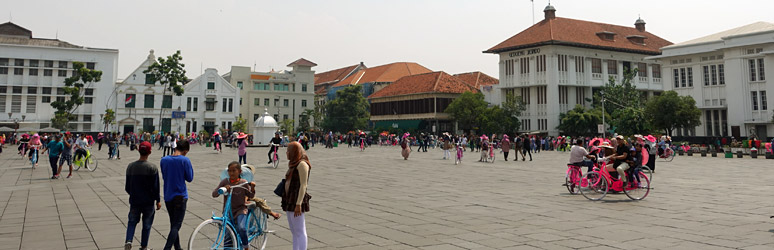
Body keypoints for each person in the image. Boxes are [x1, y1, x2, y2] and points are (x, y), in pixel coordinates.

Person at [124, 142, 161, 250]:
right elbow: (156, 187)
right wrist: (158, 200)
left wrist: (134, 194)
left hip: (135, 201)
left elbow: (127, 187)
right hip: (148, 202)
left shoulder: (130, 167)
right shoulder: (152, 168)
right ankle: (144, 246)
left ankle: (129, 240)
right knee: (147, 224)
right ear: (150, 152)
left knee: (132, 222)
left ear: (139, 151)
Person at [213, 161, 255, 250]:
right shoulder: (225, 181)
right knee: (228, 235)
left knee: (242, 228)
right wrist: (222, 189)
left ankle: (246, 246)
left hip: (240, 210)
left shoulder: (243, 182)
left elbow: (251, 195)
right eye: (229, 171)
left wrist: (253, 188)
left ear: (239, 172)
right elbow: (214, 194)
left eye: (234, 171)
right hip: (228, 211)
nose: (231, 173)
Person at [160, 139, 194, 250]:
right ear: (185, 151)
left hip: (168, 195)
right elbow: (190, 178)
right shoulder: (185, 160)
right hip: (180, 195)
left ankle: (178, 247)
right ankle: (167, 248)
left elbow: (165, 175)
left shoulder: (164, 160)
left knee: (173, 223)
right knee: (176, 225)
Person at [281, 142, 311, 250]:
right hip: (290, 198)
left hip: (297, 199)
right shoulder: (294, 163)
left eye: (289, 150)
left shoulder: (302, 164)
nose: (287, 153)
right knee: (294, 231)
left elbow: (303, 185)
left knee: (300, 230)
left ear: (295, 151)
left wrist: (298, 203)